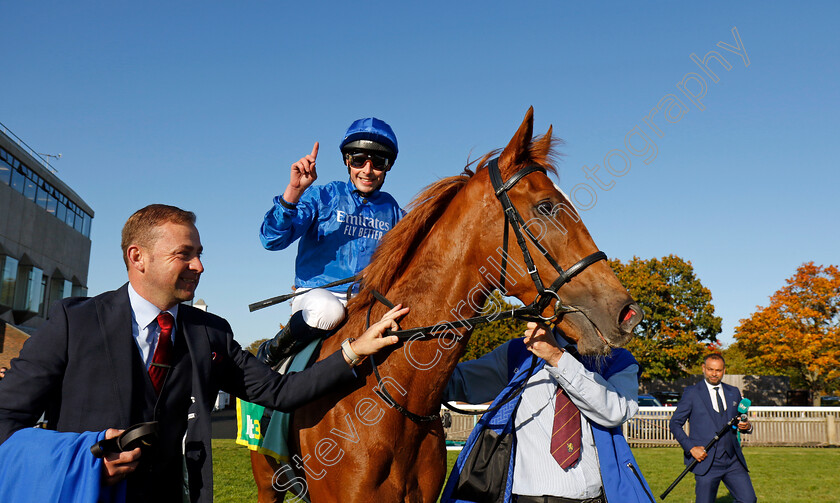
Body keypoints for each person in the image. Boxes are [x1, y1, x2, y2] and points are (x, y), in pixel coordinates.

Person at [0, 204, 406, 503]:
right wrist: (80, 461)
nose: (200, 266)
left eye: (199, 253)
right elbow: (5, 421)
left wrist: (355, 350)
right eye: (185, 254)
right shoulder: (73, 323)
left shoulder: (210, 333)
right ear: (137, 257)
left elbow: (280, 393)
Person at [440, 322, 656, 503]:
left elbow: (616, 411)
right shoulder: (517, 352)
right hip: (526, 497)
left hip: (595, 497)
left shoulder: (617, 359)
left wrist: (557, 358)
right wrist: (408, 344)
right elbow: (450, 383)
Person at [257, 117, 403, 365]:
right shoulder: (323, 196)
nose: (367, 170)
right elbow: (272, 240)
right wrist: (293, 191)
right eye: (359, 160)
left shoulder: (394, 211)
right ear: (348, 161)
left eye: (378, 163)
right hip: (319, 297)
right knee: (329, 312)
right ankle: (273, 351)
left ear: (388, 167)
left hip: (368, 301)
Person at [669, 354, 756, 503]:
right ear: (703, 368)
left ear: (724, 370)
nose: (714, 374)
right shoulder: (692, 393)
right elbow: (675, 423)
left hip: (733, 460)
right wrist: (691, 448)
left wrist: (746, 426)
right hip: (706, 460)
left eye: (718, 370)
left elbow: (738, 420)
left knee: (748, 500)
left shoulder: (733, 392)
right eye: (710, 369)